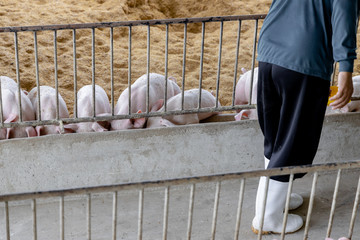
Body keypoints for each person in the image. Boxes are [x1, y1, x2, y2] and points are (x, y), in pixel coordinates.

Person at [252, 0, 359, 235]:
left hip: (269, 52)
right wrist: (346, 68)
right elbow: (344, 17)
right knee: (294, 141)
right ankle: (267, 218)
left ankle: (274, 200)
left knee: (276, 136)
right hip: (304, 59)